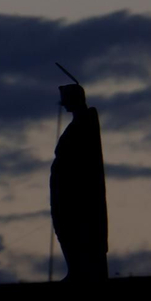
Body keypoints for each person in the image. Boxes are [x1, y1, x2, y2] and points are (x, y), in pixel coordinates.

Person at [50, 82, 108, 284]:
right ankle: (75, 269)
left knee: (75, 228)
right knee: (65, 228)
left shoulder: (84, 122)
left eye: (65, 100)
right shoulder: (78, 124)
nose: (63, 105)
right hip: (65, 191)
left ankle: (81, 270)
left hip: (76, 193)